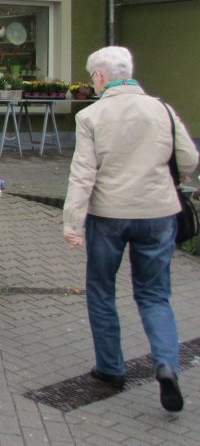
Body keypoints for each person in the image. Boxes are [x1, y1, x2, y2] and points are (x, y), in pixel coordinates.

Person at [63, 45, 197, 412]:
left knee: (102, 289)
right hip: (158, 214)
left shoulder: (92, 115)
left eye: (93, 78)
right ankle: (167, 363)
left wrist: (73, 222)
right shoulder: (163, 110)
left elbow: (83, 174)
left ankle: (110, 368)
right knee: (155, 294)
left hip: (108, 216)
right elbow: (189, 160)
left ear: (101, 77)